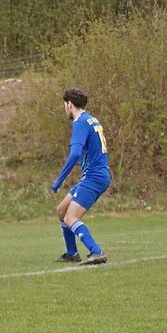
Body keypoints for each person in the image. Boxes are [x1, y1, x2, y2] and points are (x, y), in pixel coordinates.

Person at [51, 89, 109, 266]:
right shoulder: (91, 119)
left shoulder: (80, 122)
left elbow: (75, 153)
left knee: (71, 218)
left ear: (69, 104)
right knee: (61, 211)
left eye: (64, 105)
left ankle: (96, 251)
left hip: (94, 177)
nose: (65, 109)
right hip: (94, 175)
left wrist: (59, 180)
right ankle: (72, 253)